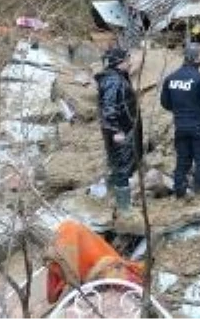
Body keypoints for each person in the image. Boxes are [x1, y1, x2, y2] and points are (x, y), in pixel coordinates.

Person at [159, 42, 200, 200]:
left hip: (180, 125)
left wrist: (180, 112)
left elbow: (165, 102)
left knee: (182, 159)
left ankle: (180, 190)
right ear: (197, 57)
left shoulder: (171, 78)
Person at [45, 220, 145, 308]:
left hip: (109, 283)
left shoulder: (115, 273)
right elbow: (52, 295)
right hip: (103, 284)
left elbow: (52, 297)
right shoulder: (61, 253)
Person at [95, 46, 142, 231]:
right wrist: (115, 130)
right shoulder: (114, 81)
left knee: (118, 164)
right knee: (121, 166)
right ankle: (124, 208)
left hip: (123, 128)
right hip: (120, 132)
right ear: (119, 62)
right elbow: (109, 107)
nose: (130, 62)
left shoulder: (116, 77)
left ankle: (115, 196)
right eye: (127, 59)